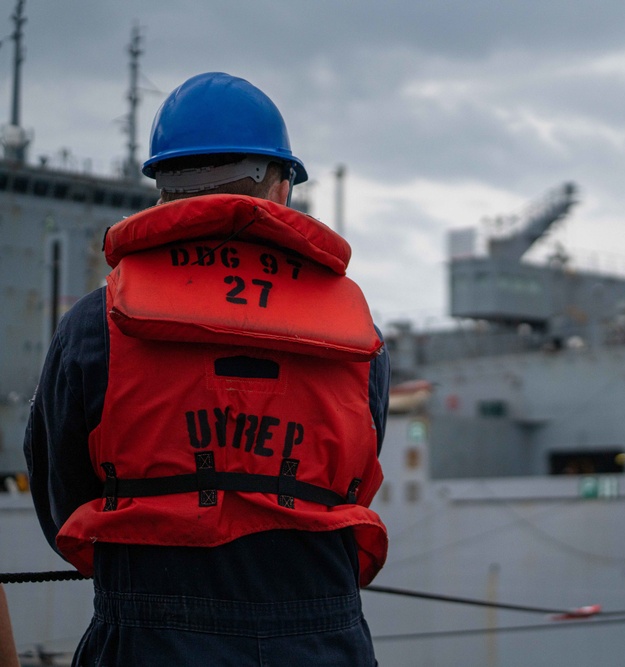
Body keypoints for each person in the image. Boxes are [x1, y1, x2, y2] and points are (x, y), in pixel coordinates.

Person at [23, 72, 389, 666]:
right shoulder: (357, 335)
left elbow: (60, 501)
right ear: (280, 187)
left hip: (151, 638)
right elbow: (356, 471)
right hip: (324, 640)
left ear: (164, 191)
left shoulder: (96, 324)